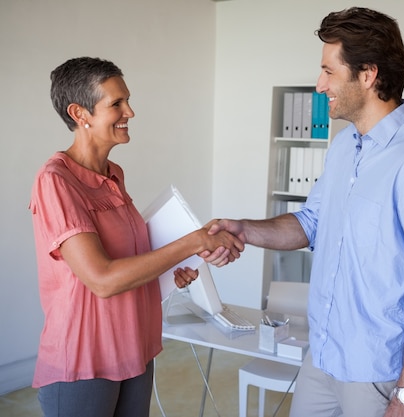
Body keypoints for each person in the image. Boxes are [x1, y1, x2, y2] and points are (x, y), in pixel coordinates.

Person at [208, 7, 404, 417]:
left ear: (368, 74)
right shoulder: (346, 145)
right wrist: (243, 229)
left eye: (329, 71)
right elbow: (311, 223)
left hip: (376, 371)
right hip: (323, 356)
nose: (319, 83)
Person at [29, 57, 243, 417]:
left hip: (135, 349)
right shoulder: (56, 181)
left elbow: (126, 261)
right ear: (80, 114)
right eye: (116, 103)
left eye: (127, 100)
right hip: (86, 358)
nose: (130, 111)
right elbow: (102, 280)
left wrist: (172, 268)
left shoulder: (114, 174)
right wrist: (192, 243)